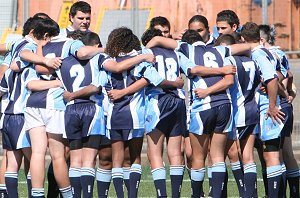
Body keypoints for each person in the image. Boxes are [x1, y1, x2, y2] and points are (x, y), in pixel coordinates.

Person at [241, 22, 284, 198]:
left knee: (271, 156)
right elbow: (280, 74)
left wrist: (272, 105)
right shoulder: (267, 51)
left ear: (243, 39)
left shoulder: (257, 54)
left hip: (269, 109)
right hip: (271, 106)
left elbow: (272, 79)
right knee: (274, 156)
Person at [216, 33, 261, 197]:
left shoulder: (228, 61)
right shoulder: (252, 61)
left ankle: (243, 192)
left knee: (232, 155)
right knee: (248, 157)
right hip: (252, 111)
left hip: (237, 112)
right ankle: (251, 194)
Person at [259, 24, 299, 198]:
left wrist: (279, 91)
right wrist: (290, 93)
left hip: (276, 106)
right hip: (285, 105)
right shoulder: (280, 53)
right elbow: (290, 76)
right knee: (286, 152)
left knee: (276, 155)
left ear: (261, 39)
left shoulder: (266, 55)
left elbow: (277, 78)